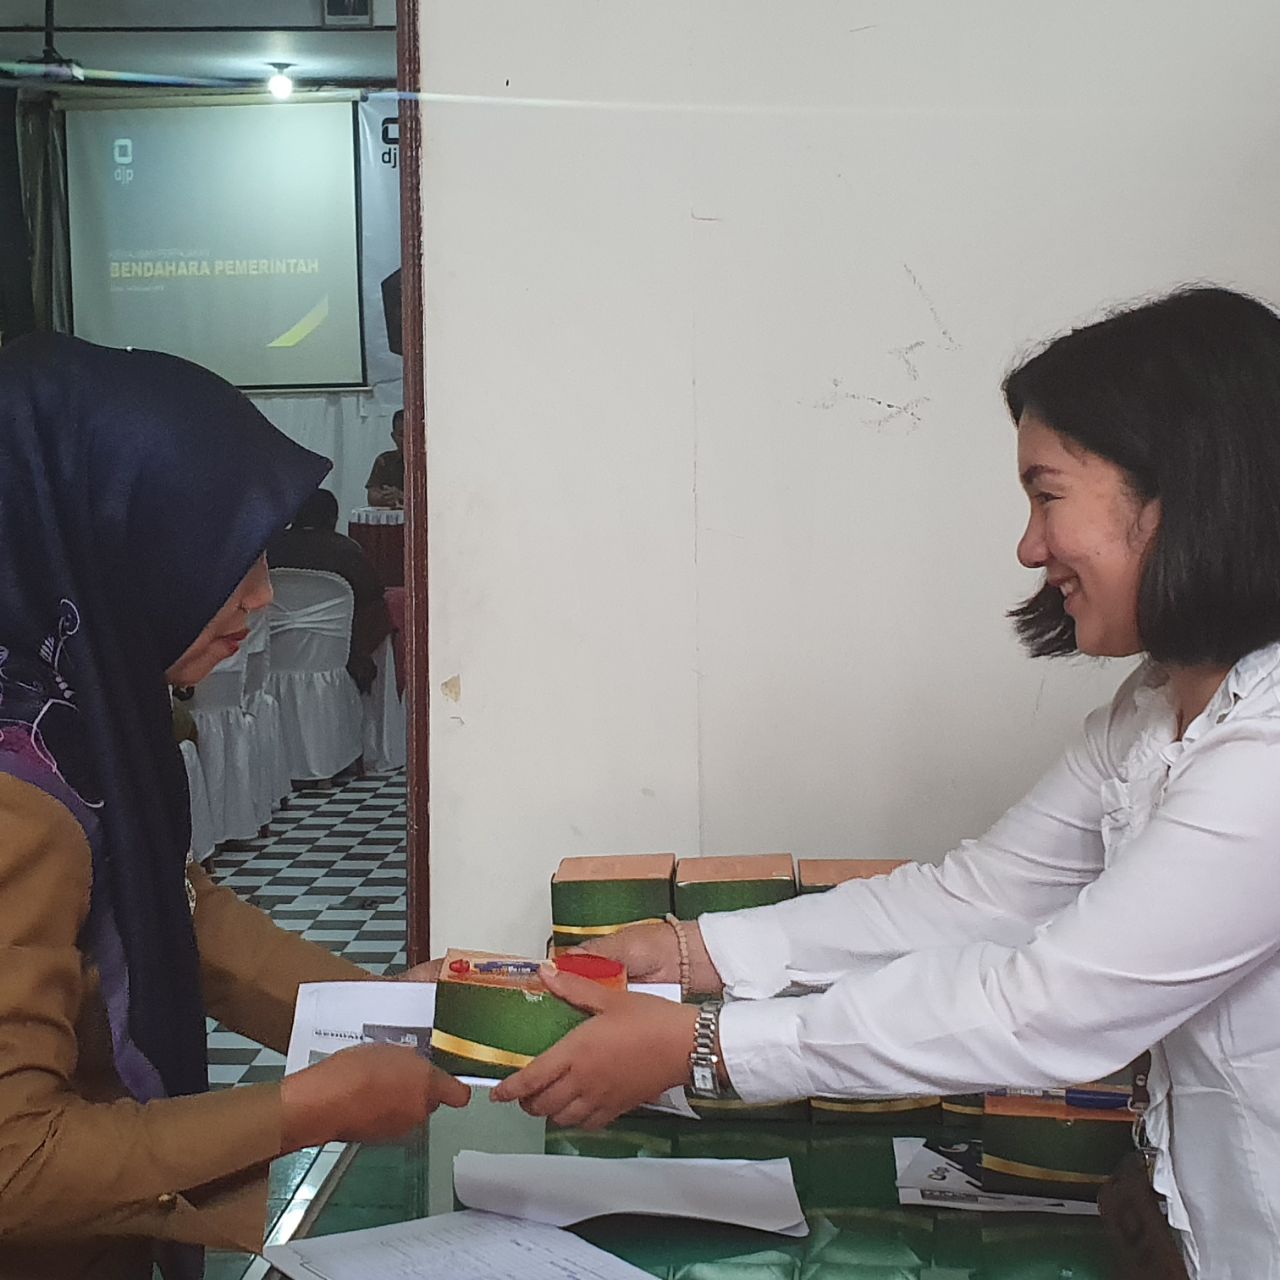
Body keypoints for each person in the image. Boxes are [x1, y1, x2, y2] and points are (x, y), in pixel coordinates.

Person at [492, 287, 1280, 1279]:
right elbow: (972, 899)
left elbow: (1039, 1008)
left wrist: (706, 1045)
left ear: (1180, 492)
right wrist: (691, 950)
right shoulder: (1153, 710)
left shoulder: (1265, 755)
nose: (1029, 547)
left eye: (1046, 495)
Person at [0, 334, 467, 1280]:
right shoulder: (20, 798)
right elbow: (17, 1164)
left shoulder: (88, 720)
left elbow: (179, 916)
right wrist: (307, 1109)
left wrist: (393, 1015)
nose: (259, 596)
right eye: (217, 553)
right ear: (107, 545)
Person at [266, 487, 392, 694]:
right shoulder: (348, 553)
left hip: (269, 667)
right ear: (333, 520)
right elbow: (373, 600)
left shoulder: (268, 550)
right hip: (334, 670)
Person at [365, 410, 404, 507]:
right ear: (393, 437)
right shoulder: (384, 460)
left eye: (412, 434)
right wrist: (386, 497)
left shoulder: (431, 461)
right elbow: (372, 495)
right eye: (402, 435)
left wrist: (402, 496)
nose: (407, 439)